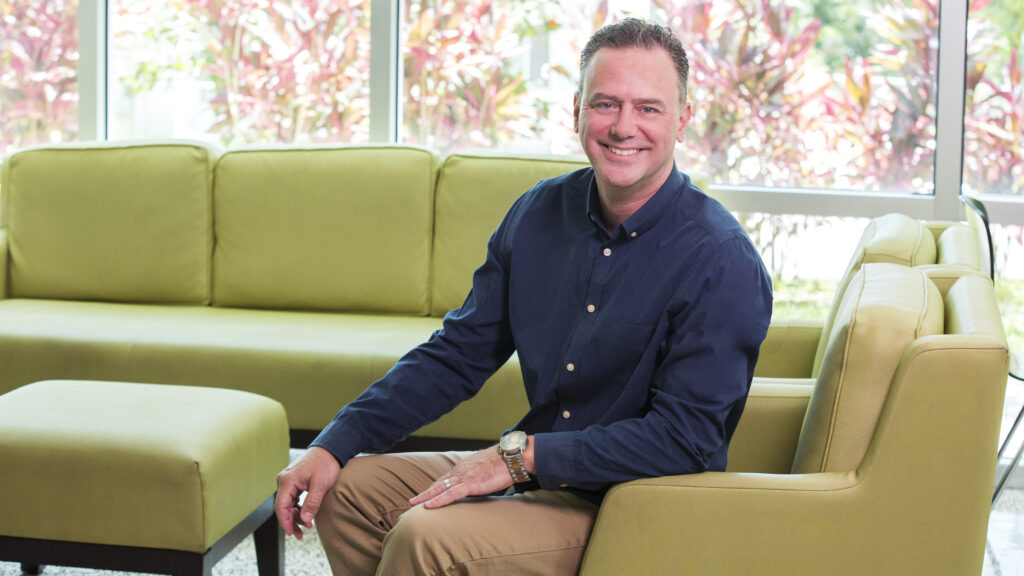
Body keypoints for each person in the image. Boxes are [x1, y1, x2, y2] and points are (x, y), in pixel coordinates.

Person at [275, 17, 772, 576]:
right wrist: (334, 443)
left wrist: (521, 460)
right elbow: (456, 354)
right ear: (577, 110)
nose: (623, 126)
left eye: (648, 108)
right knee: (349, 493)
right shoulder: (539, 213)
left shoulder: (721, 258)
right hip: (537, 475)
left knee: (425, 535)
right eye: (605, 104)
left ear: (683, 119)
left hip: (632, 503)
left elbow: (686, 440)